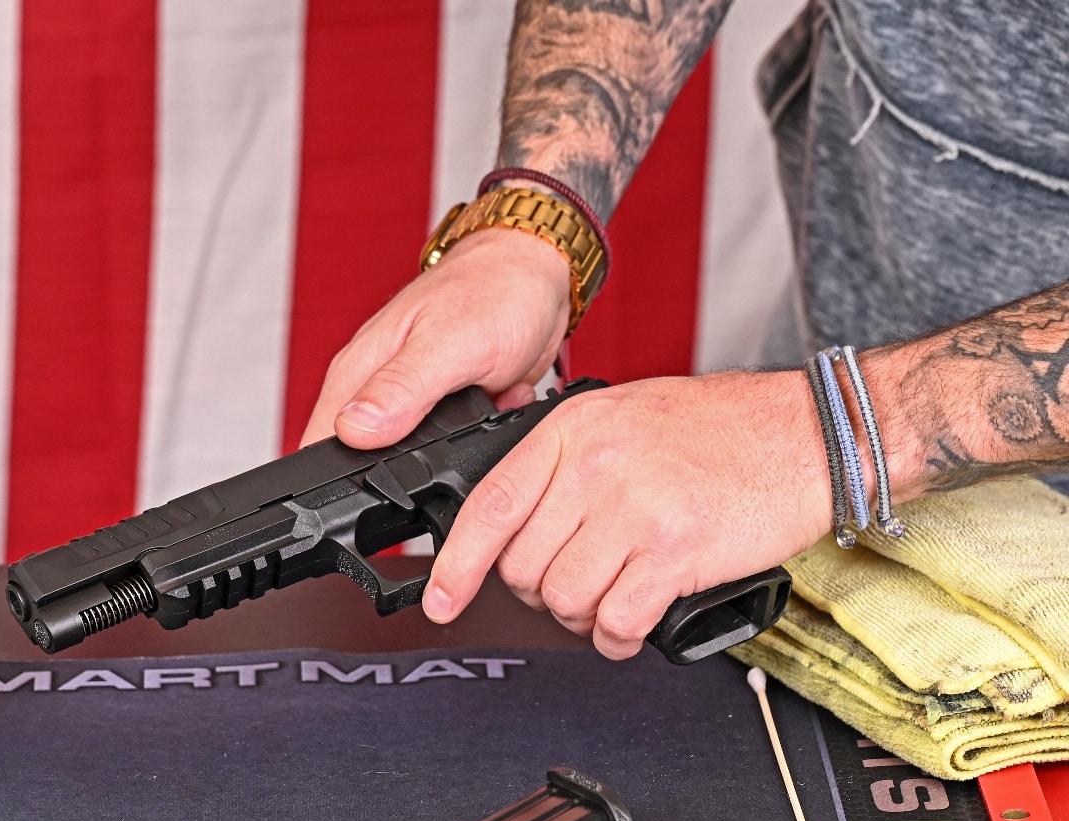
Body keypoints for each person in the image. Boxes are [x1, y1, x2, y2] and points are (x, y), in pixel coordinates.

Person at [300, 0, 1069, 660]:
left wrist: (830, 432)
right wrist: (534, 222)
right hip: (820, 486)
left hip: (817, 450)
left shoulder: (815, 436)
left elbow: (814, 438)